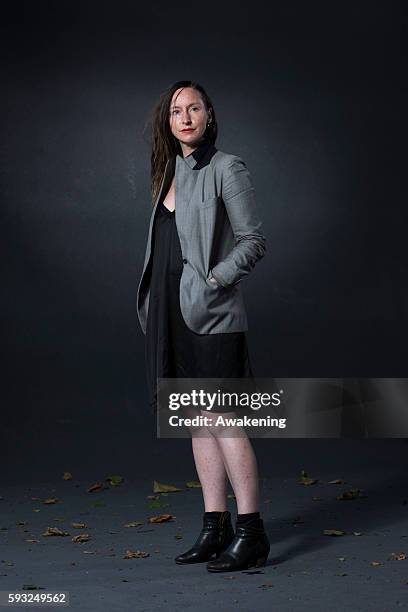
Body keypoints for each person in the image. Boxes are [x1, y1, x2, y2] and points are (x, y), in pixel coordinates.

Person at [136, 80, 270, 572]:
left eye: (194, 108)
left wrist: (215, 280)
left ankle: (252, 531)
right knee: (197, 423)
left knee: (224, 421)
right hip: (172, 317)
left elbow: (254, 241)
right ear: (168, 123)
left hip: (211, 316)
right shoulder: (169, 170)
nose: (185, 117)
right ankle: (216, 528)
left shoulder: (225, 167)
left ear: (209, 115)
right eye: (176, 111)